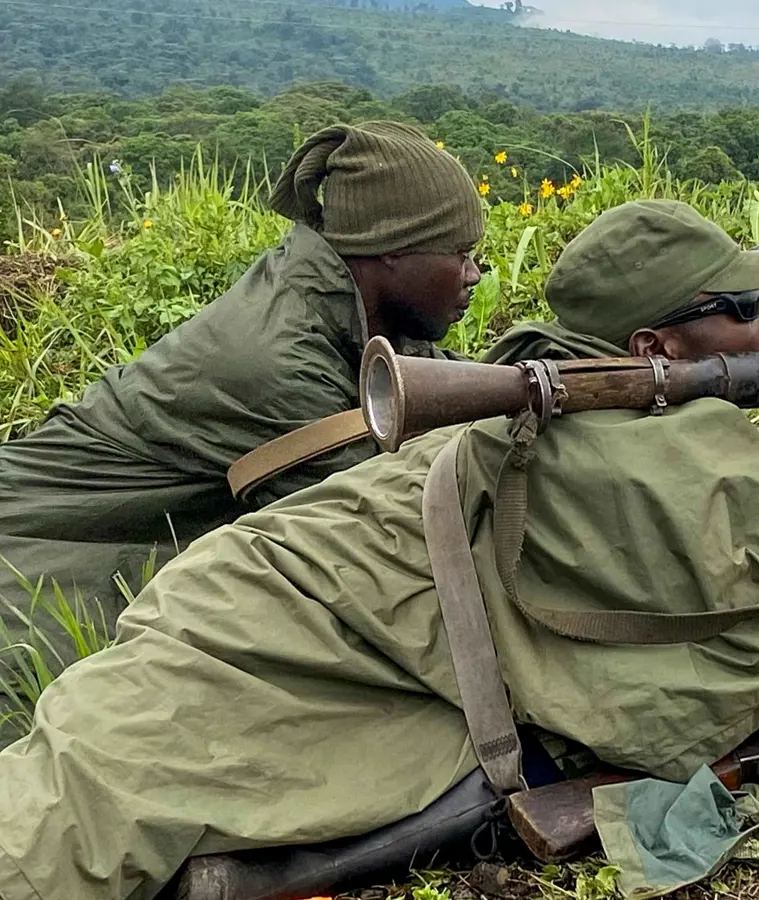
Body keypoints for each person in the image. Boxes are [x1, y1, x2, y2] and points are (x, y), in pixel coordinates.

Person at [0, 199, 759, 900]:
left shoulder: (571, 403)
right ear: (653, 348)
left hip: (243, 616)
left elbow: (718, 583)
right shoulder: (627, 462)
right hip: (245, 666)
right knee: (54, 840)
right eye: (745, 309)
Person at [0, 121, 486, 723]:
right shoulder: (277, 358)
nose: (474, 275)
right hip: (37, 554)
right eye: (461, 254)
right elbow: (393, 529)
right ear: (390, 248)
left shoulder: (343, 301)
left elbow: (456, 385)